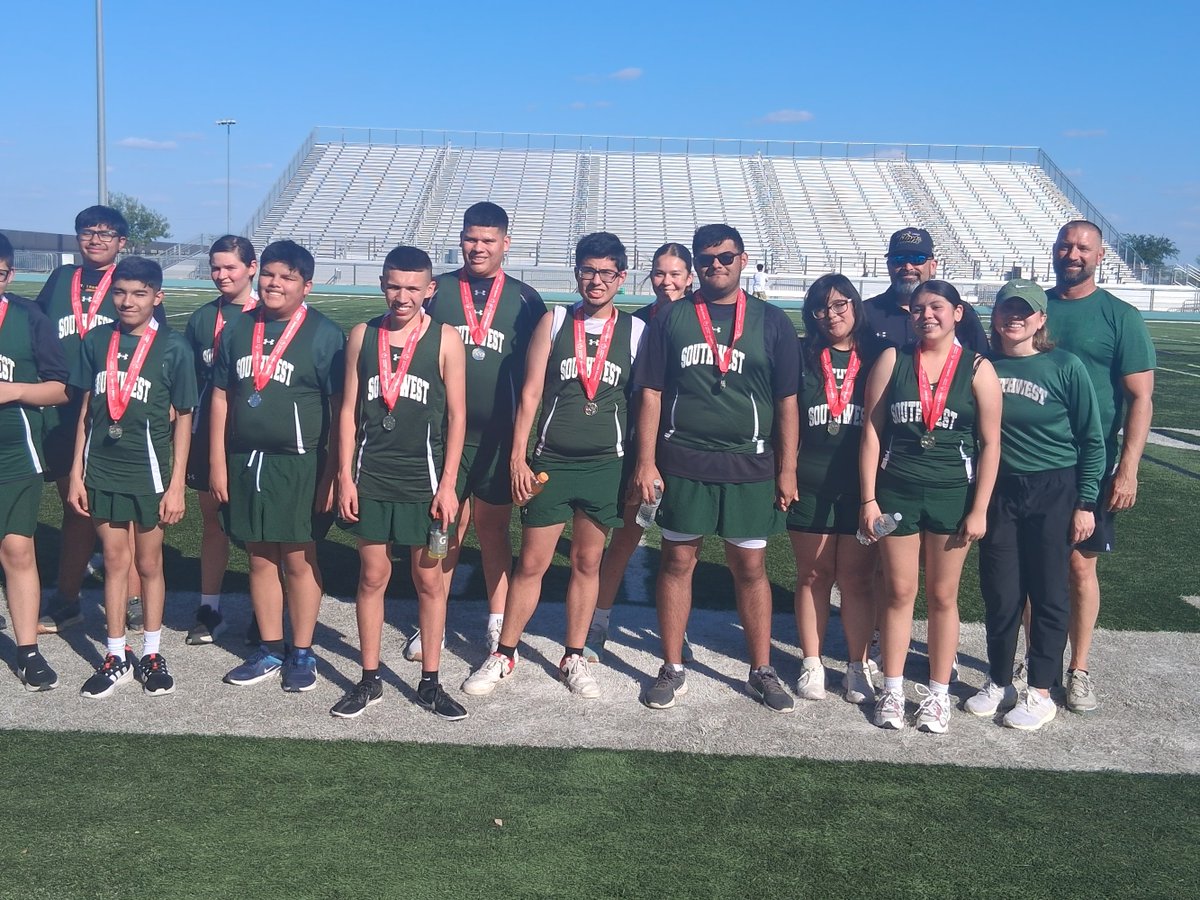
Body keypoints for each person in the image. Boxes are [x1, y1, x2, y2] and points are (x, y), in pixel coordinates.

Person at [462, 232, 645, 699]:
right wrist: (519, 456)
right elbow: (530, 393)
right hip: (552, 463)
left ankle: (574, 655)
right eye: (588, 271)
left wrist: (644, 465)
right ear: (577, 273)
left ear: (621, 278)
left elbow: (644, 403)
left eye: (606, 273)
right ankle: (505, 652)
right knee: (533, 563)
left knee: (587, 562)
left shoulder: (637, 332)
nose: (596, 281)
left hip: (606, 464)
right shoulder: (556, 320)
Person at [634, 224, 800, 713]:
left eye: (725, 257)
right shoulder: (673, 318)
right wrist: (646, 460)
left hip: (750, 463)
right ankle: (672, 664)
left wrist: (787, 468)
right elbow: (651, 392)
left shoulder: (772, 321)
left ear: (743, 260)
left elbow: (788, 400)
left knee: (750, 567)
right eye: (706, 259)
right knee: (678, 561)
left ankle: (761, 667)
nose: (716, 266)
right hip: (684, 460)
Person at [859, 280, 1001, 733]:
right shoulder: (893, 360)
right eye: (918, 309)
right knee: (899, 593)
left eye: (936, 307)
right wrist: (869, 497)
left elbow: (992, 443)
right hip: (897, 494)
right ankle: (893, 688)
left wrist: (979, 508)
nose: (926, 316)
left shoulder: (978, 367)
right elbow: (872, 432)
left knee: (943, 597)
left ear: (957, 313)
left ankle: (937, 695)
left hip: (951, 496)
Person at [333, 246, 467, 720]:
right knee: (371, 577)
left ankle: (430, 681)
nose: (402, 296)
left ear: (430, 289)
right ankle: (369, 679)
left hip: (425, 480)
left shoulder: (446, 339)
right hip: (372, 477)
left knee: (429, 581)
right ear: (382, 284)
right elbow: (348, 412)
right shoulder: (362, 335)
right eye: (394, 285)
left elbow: (457, 416)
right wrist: (344, 476)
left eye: (413, 287)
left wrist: (448, 484)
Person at [968, 279, 1104, 730]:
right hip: (999, 489)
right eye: (1007, 308)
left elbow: (1091, 439)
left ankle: (1042, 689)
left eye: (1025, 311)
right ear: (995, 315)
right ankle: (1000, 679)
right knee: (1001, 590)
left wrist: (1086, 502)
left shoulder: (1065, 366)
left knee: (1048, 591)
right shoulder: (982, 364)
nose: (1015, 317)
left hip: (1054, 488)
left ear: (1041, 319)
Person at [212, 240, 345, 693]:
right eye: (269, 274)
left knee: (298, 557)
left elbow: (339, 409)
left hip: (300, 462)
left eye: (287, 277)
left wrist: (332, 473)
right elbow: (221, 396)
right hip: (246, 460)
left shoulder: (325, 334)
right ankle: (270, 647)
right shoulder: (236, 328)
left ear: (306, 285)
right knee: (258, 556)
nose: (275, 283)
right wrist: (217, 460)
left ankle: (302, 650)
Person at [66, 257, 197, 698]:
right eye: (120, 292)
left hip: (151, 472)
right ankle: (116, 654)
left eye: (139, 293)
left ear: (157, 297)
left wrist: (177, 483)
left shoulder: (174, 348)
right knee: (115, 562)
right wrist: (76, 473)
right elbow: (86, 410)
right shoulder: (97, 339)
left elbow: (183, 419)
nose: (128, 301)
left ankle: (153, 651)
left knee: (148, 563)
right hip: (101, 469)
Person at [422, 201, 547, 658]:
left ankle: (497, 621)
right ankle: (432, 621)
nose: (478, 248)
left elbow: (539, 371)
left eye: (488, 240)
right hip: (442, 435)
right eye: (471, 239)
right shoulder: (438, 291)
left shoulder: (525, 299)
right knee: (444, 527)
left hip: (497, 436)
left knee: (493, 532)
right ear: (461, 239)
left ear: (505, 244)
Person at [36, 205, 163, 635]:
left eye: (106, 233)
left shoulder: (131, 281)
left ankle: (128, 602)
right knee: (77, 509)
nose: (96, 238)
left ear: (121, 241)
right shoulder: (60, 279)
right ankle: (67, 598)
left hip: (117, 411)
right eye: (88, 231)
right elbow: (36, 327)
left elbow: (155, 347)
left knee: (122, 514)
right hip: (60, 407)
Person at [1045, 220, 1155, 713]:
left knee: (1079, 567)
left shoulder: (1120, 316)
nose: (1073, 254)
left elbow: (1140, 398)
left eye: (1083, 247)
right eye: (1066, 246)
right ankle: (1037, 663)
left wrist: (1127, 468)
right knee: (1035, 567)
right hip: (1029, 463)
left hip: (1090, 464)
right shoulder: (1031, 307)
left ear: (1100, 255)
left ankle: (1079, 668)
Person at [586, 241, 693, 662]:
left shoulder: (700, 322)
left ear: (689, 278)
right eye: (659, 273)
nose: (667, 282)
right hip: (639, 449)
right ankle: (598, 623)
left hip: (684, 450)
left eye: (675, 274)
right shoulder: (636, 324)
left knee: (681, 551)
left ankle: (675, 630)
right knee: (625, 540)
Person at [788, 274, 886, 704]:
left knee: (857, 580)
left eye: (840, 304)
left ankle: (856, 664)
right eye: (821, 308)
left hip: (862, 487)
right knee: (813, 575)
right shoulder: (802, 356)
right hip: (811, 482)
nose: (832, 315)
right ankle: (812, 662)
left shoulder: (878, 358)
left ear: (856, 306)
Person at [0, 233, 71, 690]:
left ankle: (28, 650)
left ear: (10, 272)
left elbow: (62, 387)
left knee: (17, 548)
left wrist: (15, 390)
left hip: (13, 453)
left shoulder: (28, 317)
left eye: (1, 272)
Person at [182, 235, 258, 645]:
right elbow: (193, 383)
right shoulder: (200, 319)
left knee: (259, 530)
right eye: (216, 267)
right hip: (210, 434)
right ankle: (209, 609)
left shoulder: (269, 314)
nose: (221, 274)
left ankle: (262, 612)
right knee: (213, 523)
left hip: (255, 436)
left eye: (230, 266)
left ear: (251, 267)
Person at [863, 228, 988, 354]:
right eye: (898, 259)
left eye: (917, 259)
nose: (908, 267)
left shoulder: (961, 314)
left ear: (933, 266)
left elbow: (983, 361)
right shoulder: (864, 313)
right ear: (889, 266)